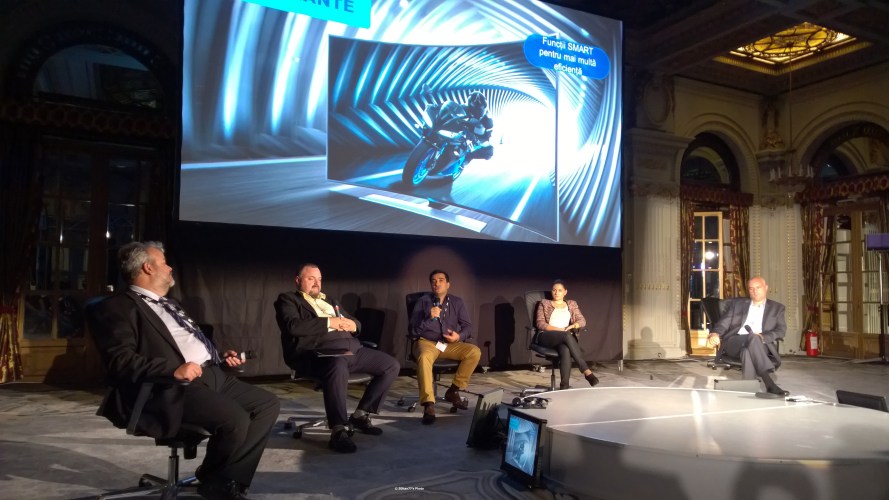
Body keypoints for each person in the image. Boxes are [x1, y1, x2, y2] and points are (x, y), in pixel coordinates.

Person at [86, 241, 279, 500]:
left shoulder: (172, 304)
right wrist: (173, 370)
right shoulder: (116, 307)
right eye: (164, 263)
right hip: (169, 386)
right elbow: (119, 361)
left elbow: (187, 345)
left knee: (267, 404)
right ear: (148, 268)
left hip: (212, 374)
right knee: (235, 419)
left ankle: (225, 478)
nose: (170, 268)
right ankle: (218, 482)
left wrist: (219, 357)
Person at [274, 263, 400, 453]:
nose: (316, 283)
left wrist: (353, 325)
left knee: (391, 365)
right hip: (317, 352)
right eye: (311, 278)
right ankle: (339, 429)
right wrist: (329, 322)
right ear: (298, 280)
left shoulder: (330, 300)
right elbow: (293, 326)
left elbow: (356, 323)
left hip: (352, 349)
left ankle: (360, 415)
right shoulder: (289, 299)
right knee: (337, 364)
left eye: (319, 279)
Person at [407, 269, 481, 425]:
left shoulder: (457, 302)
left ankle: (453, 390)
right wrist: (429, 318)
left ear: (448, 284)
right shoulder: (423, 302)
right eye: (433, 281)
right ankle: (428, 404)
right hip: (426, 343)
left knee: (474, 352)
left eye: (441, 280)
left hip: (448, 344)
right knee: (425, 357)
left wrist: (459, 336)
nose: (437, 284)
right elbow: (413, 330)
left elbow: (468, 327)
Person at [706, 276, 788, 396]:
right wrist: (715, 333)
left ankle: (748, 390)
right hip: (735, 342)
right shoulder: (737, 304)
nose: (754, 291)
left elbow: (781, 330)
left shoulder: (777, 308)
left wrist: (763, 337)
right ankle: (769, 382)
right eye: (751, 288)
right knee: (752, 337)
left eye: (758, 287)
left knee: (748, 350)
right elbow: (723, 323)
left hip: (761, 344)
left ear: (766, 288)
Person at [535, 279, 599, 389]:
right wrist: (558, 329)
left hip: (564, 338)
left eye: (560, 290)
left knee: (565, 349)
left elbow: (582, 321)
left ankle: (564, 387)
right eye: (554, 290)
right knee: (566, 335)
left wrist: (573, 326)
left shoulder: (571, 304)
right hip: (546, 336)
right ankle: (586, 370)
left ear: (565, 292)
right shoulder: (544, 303)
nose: (556, 292)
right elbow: (540, 323)